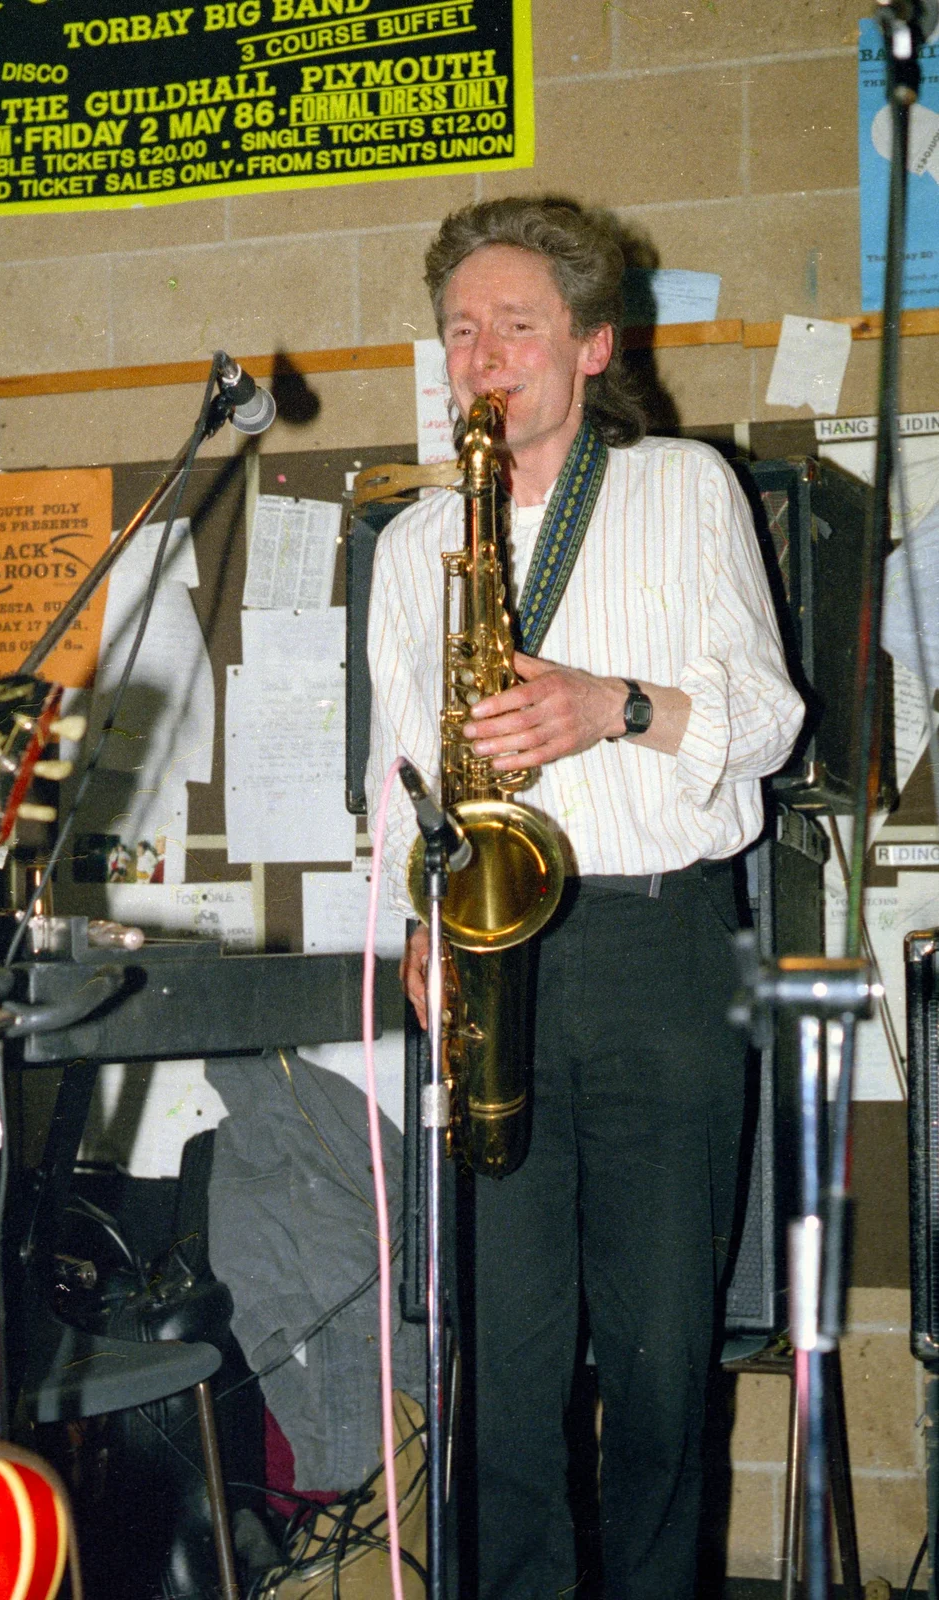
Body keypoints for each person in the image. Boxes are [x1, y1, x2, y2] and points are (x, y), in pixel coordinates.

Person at [365, 198, 805, 1600]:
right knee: (496, 1365)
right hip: (495, 958)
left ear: (591, 344)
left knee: (667, 1357)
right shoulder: (411, 544)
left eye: (517, 326)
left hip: (658, 943)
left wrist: (610, 705)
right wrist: (422, 928)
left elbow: (772, 718)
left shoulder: (684, 486)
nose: (482, 359)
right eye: (460, 331)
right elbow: (398, 781)